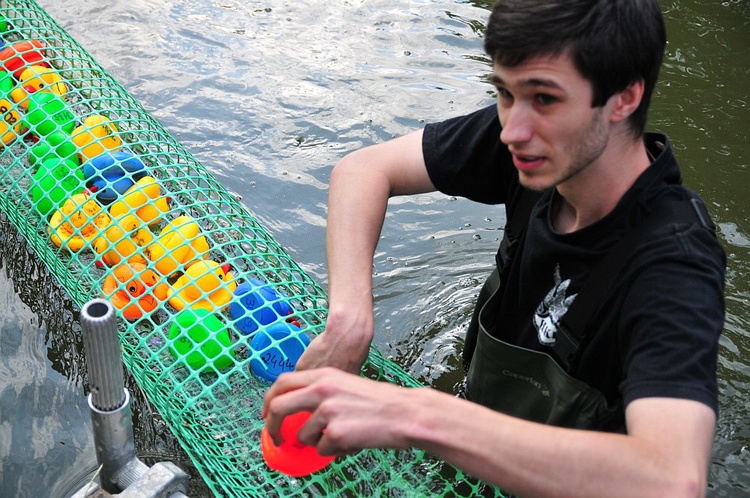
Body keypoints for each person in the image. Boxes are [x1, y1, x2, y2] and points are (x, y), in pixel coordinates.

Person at [262, 0, 727, 495]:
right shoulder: (537, 146)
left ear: (624, 97)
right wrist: (350, 321)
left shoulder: (675, 262)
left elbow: (672, 480)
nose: (511, 130)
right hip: (476, 435)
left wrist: (419, 415)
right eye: (505, 93)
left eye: (544, 98)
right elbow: (361, 170)